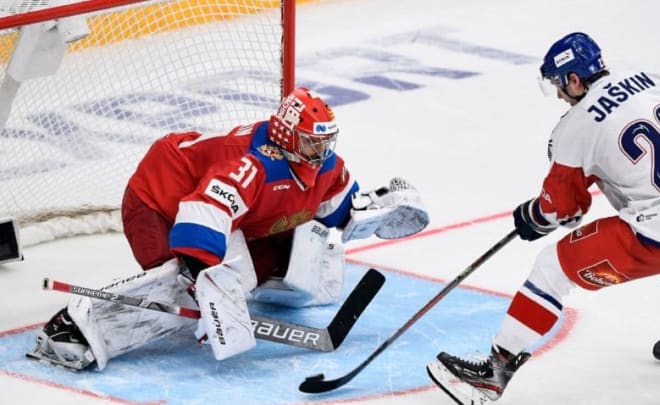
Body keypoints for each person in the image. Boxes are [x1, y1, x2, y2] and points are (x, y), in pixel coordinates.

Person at [28, 87, 429, 371]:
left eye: (325, 143)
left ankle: (227, 283)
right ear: (288, 136)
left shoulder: (325, 167)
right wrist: (205, 284)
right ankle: (76, 328)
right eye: (311, 144)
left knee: (277, 254)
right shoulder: (252, 165)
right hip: (160, 199)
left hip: (235, 214)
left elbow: (337, 213)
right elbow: (202, 218)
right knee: (178, 284)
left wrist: (377, 215)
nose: (321, 153)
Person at [427, 32, 660, 404]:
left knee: (552, 268)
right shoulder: (655, 78)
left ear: (574, 79)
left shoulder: (575, 127)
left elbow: (563, 210)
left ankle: (493, 373)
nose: (561, 96)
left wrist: (533, 215)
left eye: (559, 86)